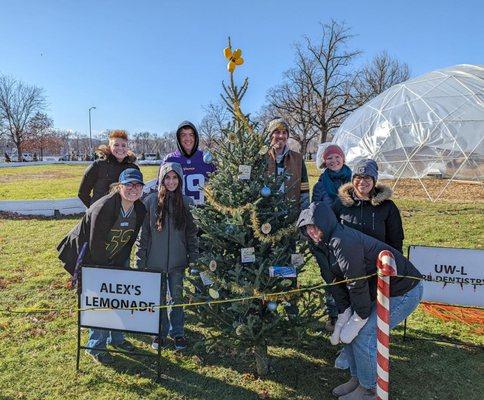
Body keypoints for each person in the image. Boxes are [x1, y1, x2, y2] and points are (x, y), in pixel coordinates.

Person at [297, 202, 423, 400]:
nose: (312, 232)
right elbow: (334, 281)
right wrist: (344, 312)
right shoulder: (321, 244)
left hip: (402, 291)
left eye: (315, 226)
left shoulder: (342, 241)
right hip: (378, 291)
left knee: (365, 333)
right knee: (352, 330)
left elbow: (356, 283)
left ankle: (369, 389)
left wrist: (360, 316)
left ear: (326, 223)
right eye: (307, 228)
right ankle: (357, 379)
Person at [57, 168, 147, 364]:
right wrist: (105, 271)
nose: (134, 189)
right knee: (99, 301)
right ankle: (95, 346)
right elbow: (96, 243)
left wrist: (120, 265)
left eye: (138, 185)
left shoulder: (140, 209)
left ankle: (117, 339)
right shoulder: (104, 206)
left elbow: (129, 241)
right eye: (129, 184)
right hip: (89, 256)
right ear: (119, 186)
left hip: (115, 256)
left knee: (119, 297)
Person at [136, 162, 198, 351]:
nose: (171, 182)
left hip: (178, 262)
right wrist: (140, 260)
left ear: (180, 180)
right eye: (167, 177)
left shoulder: (187, 203)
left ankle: (177, 333)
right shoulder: (150, 201)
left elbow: (192, 234)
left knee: (177, 299)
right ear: (161, 179)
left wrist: (193, 257)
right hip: (155, 261)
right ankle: (159, 333)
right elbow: (144, 234)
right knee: (159, 299)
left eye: (175, 178)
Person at [311, 144, 353, 332]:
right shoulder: (320, 185)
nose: (334, 161)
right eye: (330, 158)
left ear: (343, 159)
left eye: (337, 157)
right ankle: (334, 315)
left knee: (352, 275)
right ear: (324, 161)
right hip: (328, 237)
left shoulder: (354, 180)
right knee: (331, 276)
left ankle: (353, 312)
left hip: (351, 236)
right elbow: (316, 210)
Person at [332, 159, 404, 253]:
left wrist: (392, 262)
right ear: (352, 180)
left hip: (377, 262)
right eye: (358, 177)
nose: (362, 182)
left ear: (374, 180)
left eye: (367, 178)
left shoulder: (387, 207)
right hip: (347, 261)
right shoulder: (341, 204)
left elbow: (396, 239)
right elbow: (330, 233)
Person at [78, 130, 139, 208]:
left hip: (124, 215)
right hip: (101, 215)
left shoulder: (133, 168)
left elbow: (137, 192)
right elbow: (83, 193)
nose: (120, 148)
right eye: (116, 145)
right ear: (110, 147)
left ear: (127, 148)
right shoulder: (98, 165)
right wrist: (94, 210)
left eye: (124, 145)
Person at [162, 121, 215, 206]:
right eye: (183, 135)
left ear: (196, 137)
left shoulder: (206, 158)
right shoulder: (169, 159)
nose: (188, 138)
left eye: (191, 135)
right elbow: (161, 189)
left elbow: (219, 184)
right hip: (177, 213)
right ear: (178, 138)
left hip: (204, 214)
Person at [266, 118, 310, 210]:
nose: (281, 136)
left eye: (284, 132)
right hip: (266, 214)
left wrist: (304, 211)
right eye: (277, 132)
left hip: (291, 214)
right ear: (270, 135)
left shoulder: (298, 159)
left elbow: (304, 188)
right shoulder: (261, 157)